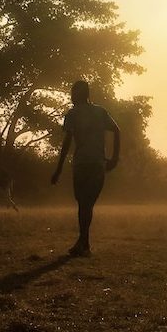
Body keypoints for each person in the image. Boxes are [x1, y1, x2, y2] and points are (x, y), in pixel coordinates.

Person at [51, 80, 120, 257]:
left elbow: (66, 144)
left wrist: (58, 169)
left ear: (81, 94)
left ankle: (83, 243)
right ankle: (84, 243)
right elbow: (117, 130)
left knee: (84, 203)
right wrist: (114, 158)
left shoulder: (73, 114)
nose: (71, 96)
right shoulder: (100, 112)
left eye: (73, 93)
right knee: (85, 203)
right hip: (95, 163)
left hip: (83, 164)